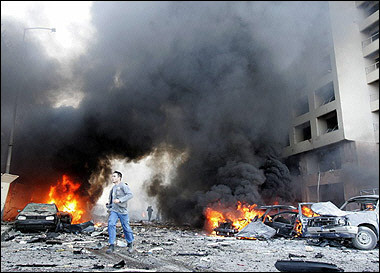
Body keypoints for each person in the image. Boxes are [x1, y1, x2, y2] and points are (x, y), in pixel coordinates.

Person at [106, 171, 134, 254]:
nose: (112, 178)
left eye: (114, 176)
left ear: (119, 177)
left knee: (126, 227)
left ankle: (130, 243)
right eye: (112, 176)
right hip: (114, 210)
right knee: (111, 224)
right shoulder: (113, 188)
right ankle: (111, 245)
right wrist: (109, 205)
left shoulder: (123, 186)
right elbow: (112, 199)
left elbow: (130, 195)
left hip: (122, 211)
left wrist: (120, 200)